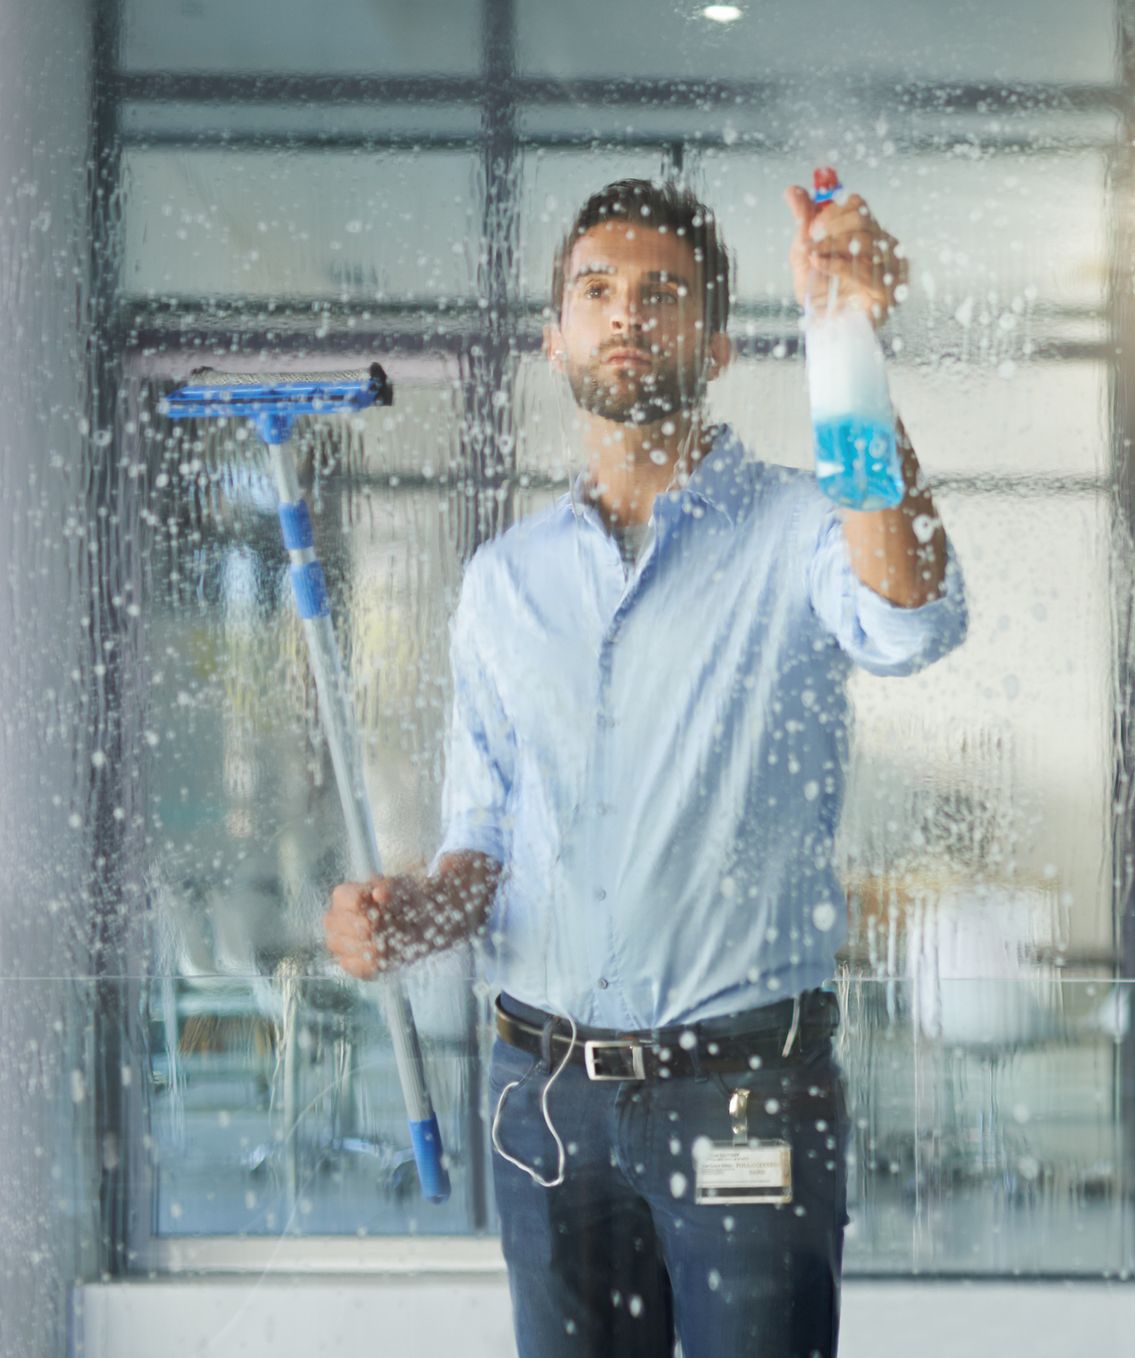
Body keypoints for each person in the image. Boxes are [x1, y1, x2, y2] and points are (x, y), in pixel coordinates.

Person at [322, 176, 967, 1358]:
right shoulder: (503, 582)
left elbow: (909, 614)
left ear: (715, 344)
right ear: (554, 338)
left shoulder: (798, 532)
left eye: (662, 294)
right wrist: (413, 910)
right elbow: (490, 844)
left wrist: (850, 347)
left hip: (743, 1091)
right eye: (598, 290)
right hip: (543, 1100)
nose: (627, 313)